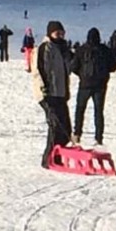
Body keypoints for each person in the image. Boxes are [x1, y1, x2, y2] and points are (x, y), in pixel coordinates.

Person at [33, 21, 73, 168]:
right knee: (55, 126)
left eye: (62, 33)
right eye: (57, 33)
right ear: (50, 33)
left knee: (66, 128)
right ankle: (48, 159)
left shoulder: (63, 48)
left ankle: (59, 156)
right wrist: (44, 90)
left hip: (61, 93)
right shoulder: (45, 47)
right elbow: (39, 70)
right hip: (48, 94)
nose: (60, 35)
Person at [70, 28, 116, 145]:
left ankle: (77, 134)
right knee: (98, 111)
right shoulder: (105, 50)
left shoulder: (81, 50)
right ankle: (98, 137)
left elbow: (73, 66)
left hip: (85, 84)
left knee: (80, 109)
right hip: (100, 85)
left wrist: (82, 75)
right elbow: (113, 67)